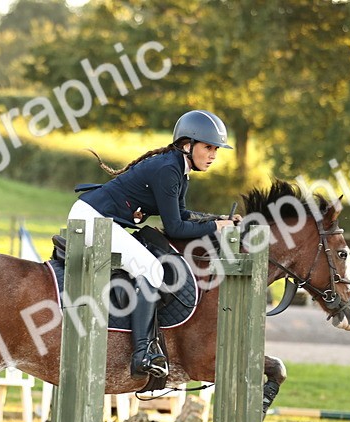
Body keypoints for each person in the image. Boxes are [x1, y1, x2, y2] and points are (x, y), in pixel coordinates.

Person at [71, 110, 238, 378]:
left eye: (216, 149)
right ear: (187, 145)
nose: (213, 155)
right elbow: (175, 228)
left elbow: (181, 215)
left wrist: (218, 219)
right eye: (208, 147)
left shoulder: (178, 169)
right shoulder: (168, 169)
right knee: (153, 270)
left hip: (101, 219)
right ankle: (142, 353)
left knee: (149, 267)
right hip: (93, 221)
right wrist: (216, 227)